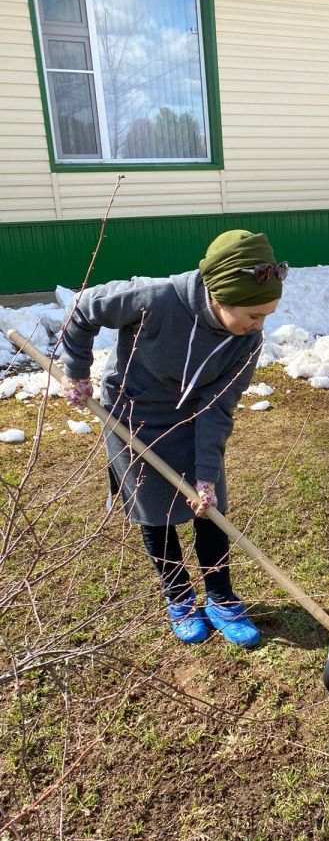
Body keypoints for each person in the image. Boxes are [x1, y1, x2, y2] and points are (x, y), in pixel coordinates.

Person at [60, 230, 286, 648]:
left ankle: (220, 597)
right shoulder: (154, 298)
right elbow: (84, 309)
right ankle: (179, 597)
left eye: (267, 315)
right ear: (219, 297)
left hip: (194, 419)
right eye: (253, 315)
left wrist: (204, 474)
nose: (259, 326)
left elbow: (218, 407)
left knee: (210, 507)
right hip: (133, 417)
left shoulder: (247, 342)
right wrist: (76, 370)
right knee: (154, 511)